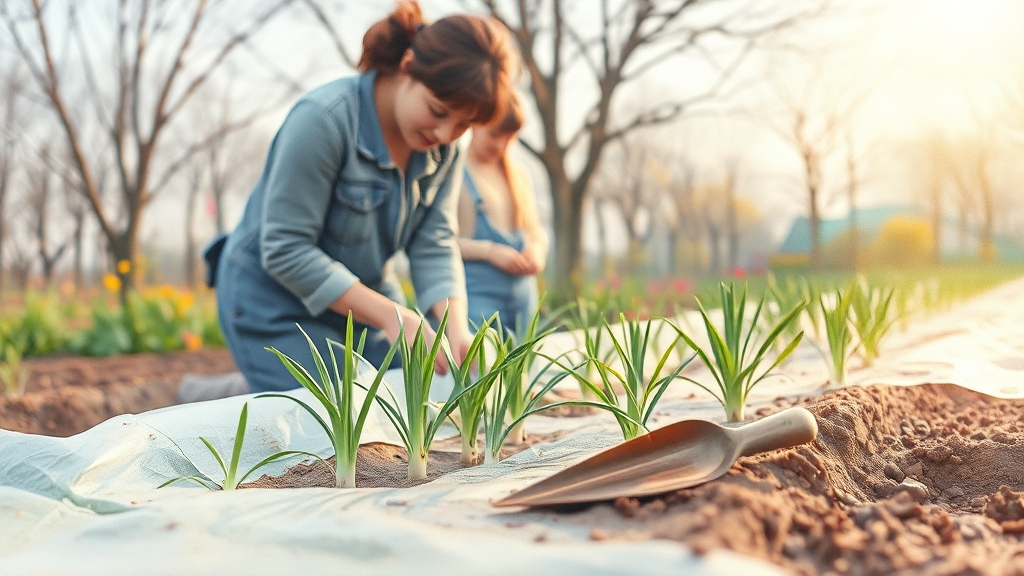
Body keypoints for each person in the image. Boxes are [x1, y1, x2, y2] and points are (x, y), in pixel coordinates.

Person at [203, 1, 519, 393]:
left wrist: (455, 329)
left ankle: (256, 384)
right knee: (339, 408)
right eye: (438, 111)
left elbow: (434, 241)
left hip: (363, 302)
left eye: (463, 125)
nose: (444, 135)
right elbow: (285, 249)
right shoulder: (324, 120)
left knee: (418, 389)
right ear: (407, 66)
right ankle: (227, 391)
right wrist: (392, 316)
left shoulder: (445, 148)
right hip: (272, 302)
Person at [457, 94, 548, 336]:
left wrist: (537, 251)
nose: (500, 145)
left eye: (509, 137)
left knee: (524, 359)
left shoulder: (518, 175)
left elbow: (535, 230)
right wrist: (489, 252)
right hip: (477, 299)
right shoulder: (456, 173)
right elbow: (440, 243)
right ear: (476, 124)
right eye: (494, 135)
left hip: (524, 298)